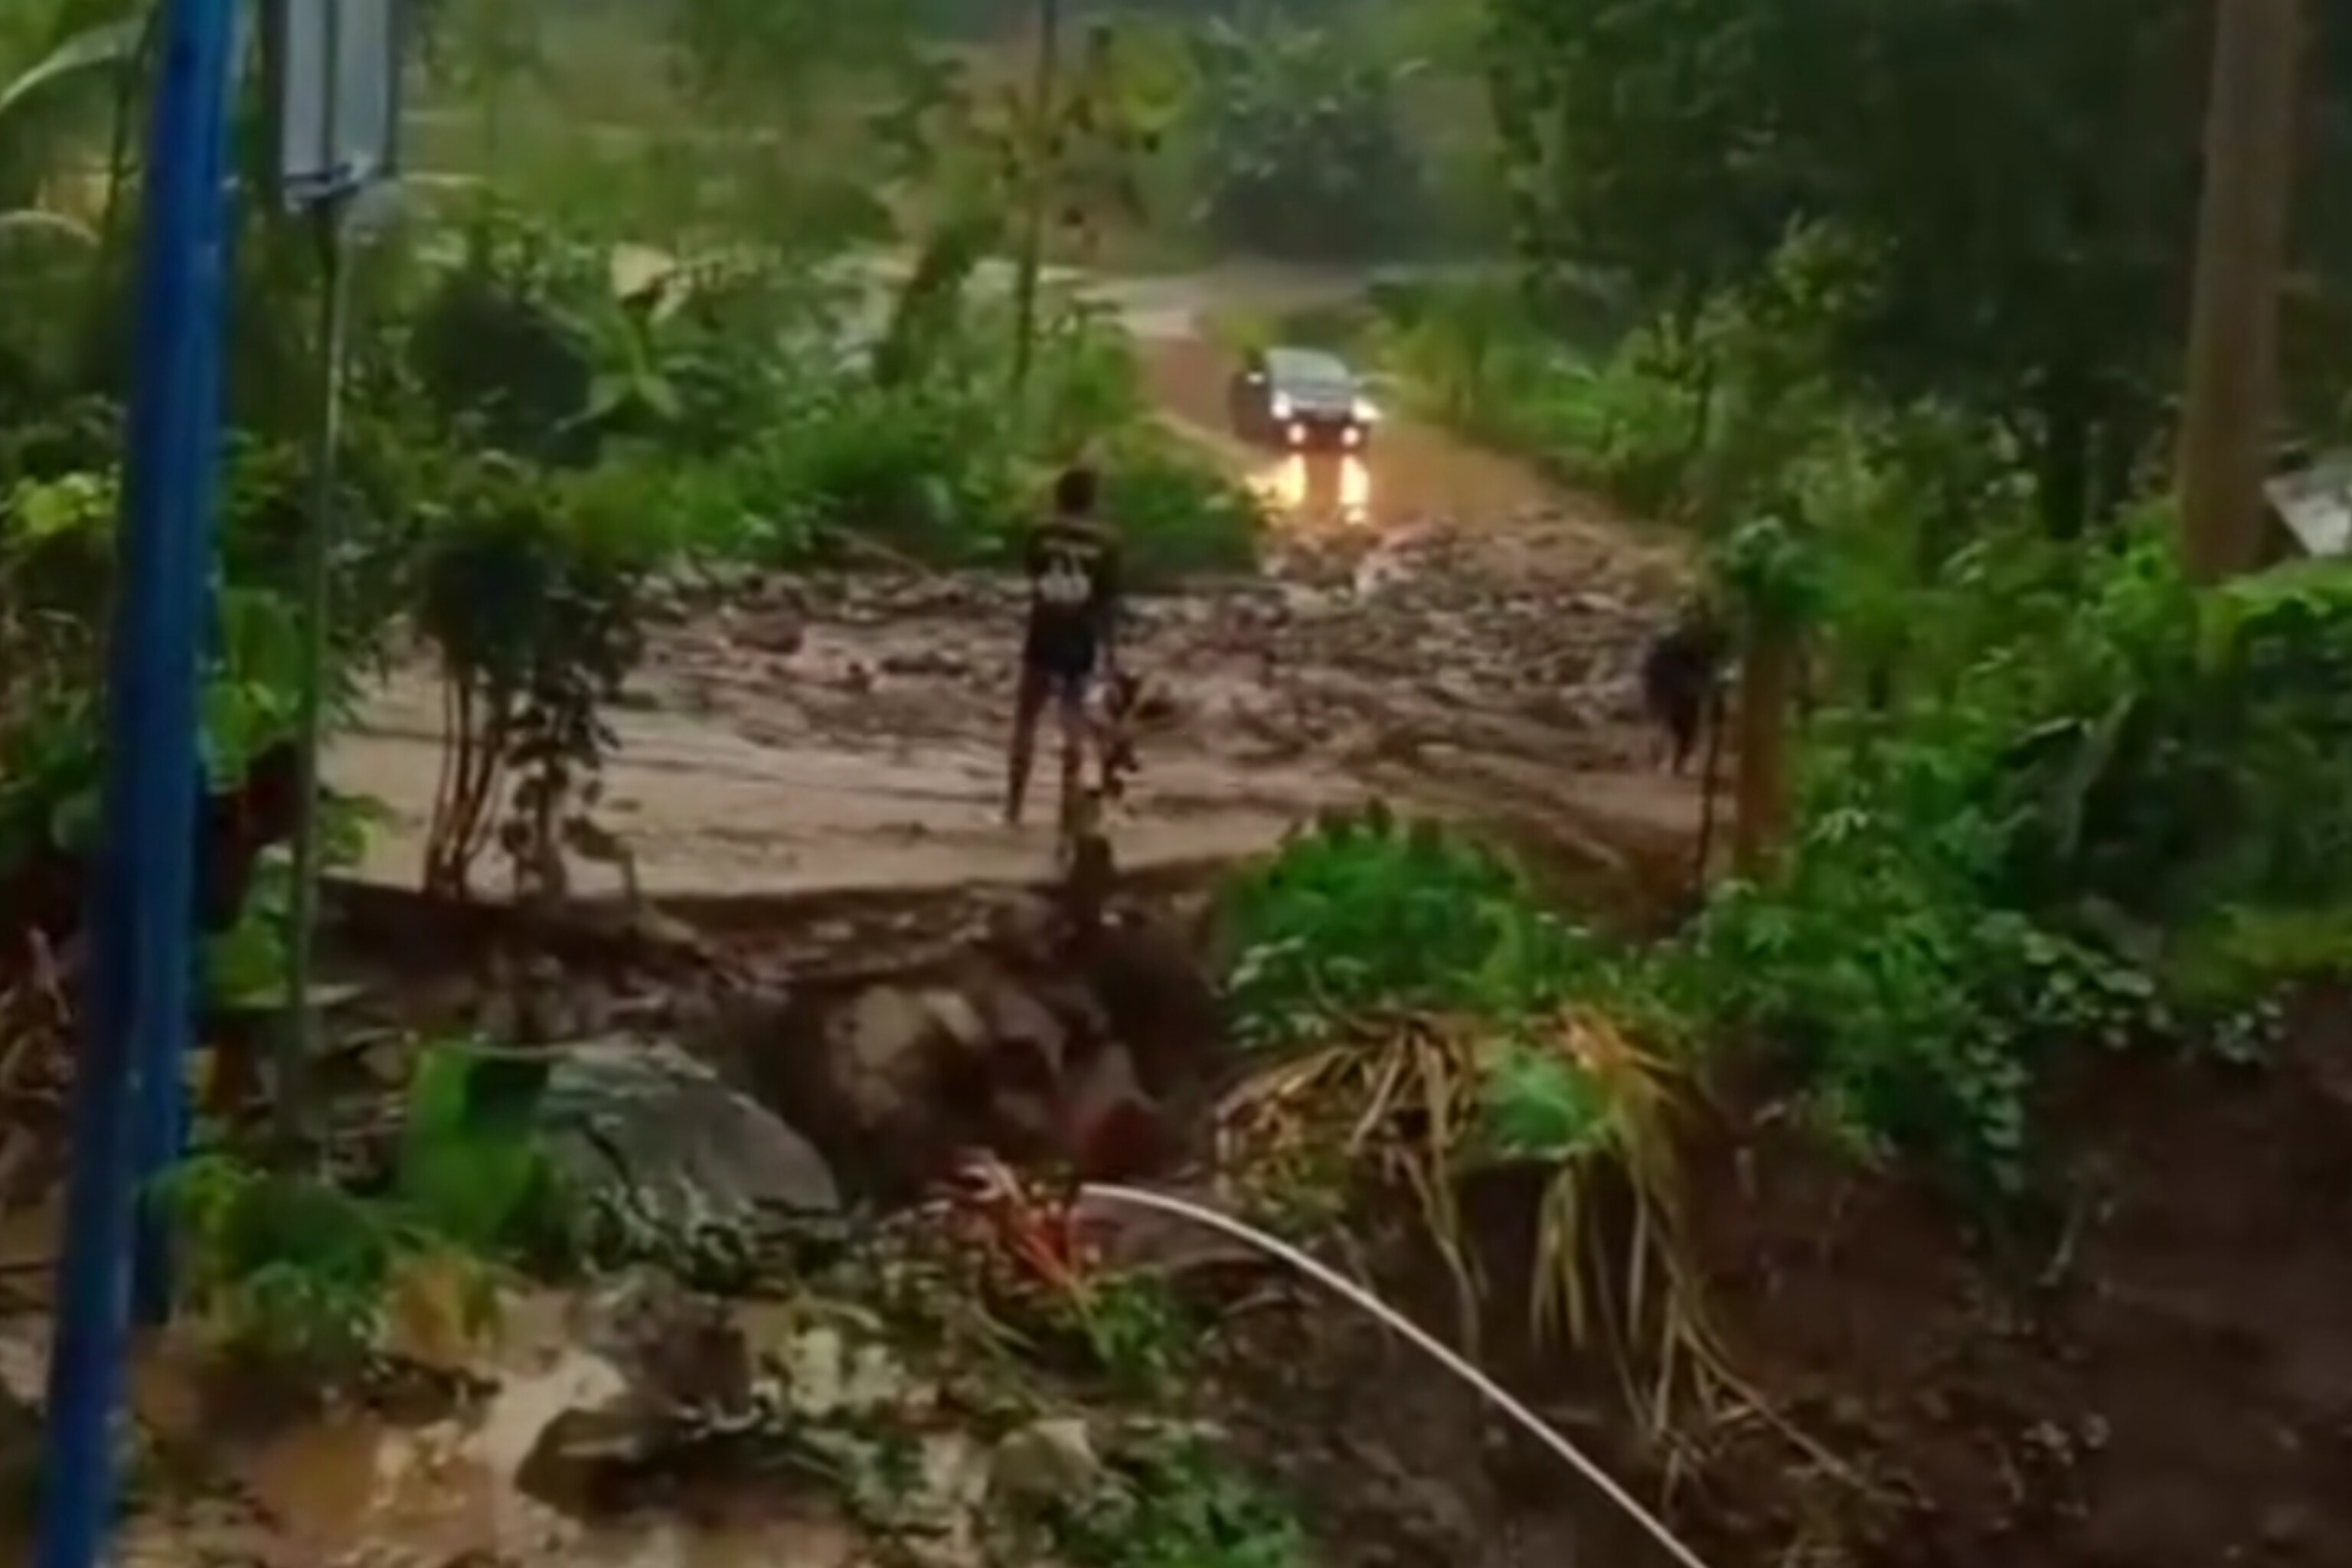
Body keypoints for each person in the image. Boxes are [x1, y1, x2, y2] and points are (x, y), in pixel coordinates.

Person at [1005, 463, 1121, 828]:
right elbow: (1108, 602)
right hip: (1080, 637)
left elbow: (1033, 575)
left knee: (1026, 719)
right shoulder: (1106, 542)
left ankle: (1013, 809)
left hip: (1042, 632)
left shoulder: (1041, 532)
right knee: (1073, 722)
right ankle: (1066, 810)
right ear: (1092, 500)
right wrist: (1111, 655)